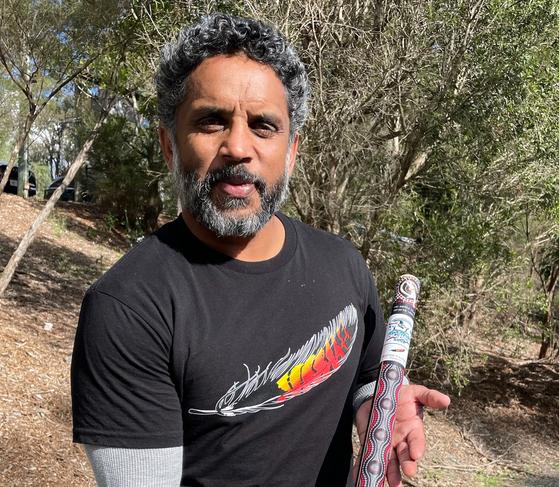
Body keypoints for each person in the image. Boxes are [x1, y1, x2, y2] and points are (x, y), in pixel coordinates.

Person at [70, 12, 450, 487]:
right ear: (169, 145)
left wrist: (381, 410)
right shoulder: (129, 308)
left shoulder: (343, 265)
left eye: (263, 126)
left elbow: (365, 375)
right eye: (211, 121)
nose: (237, 147)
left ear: (291, 149)